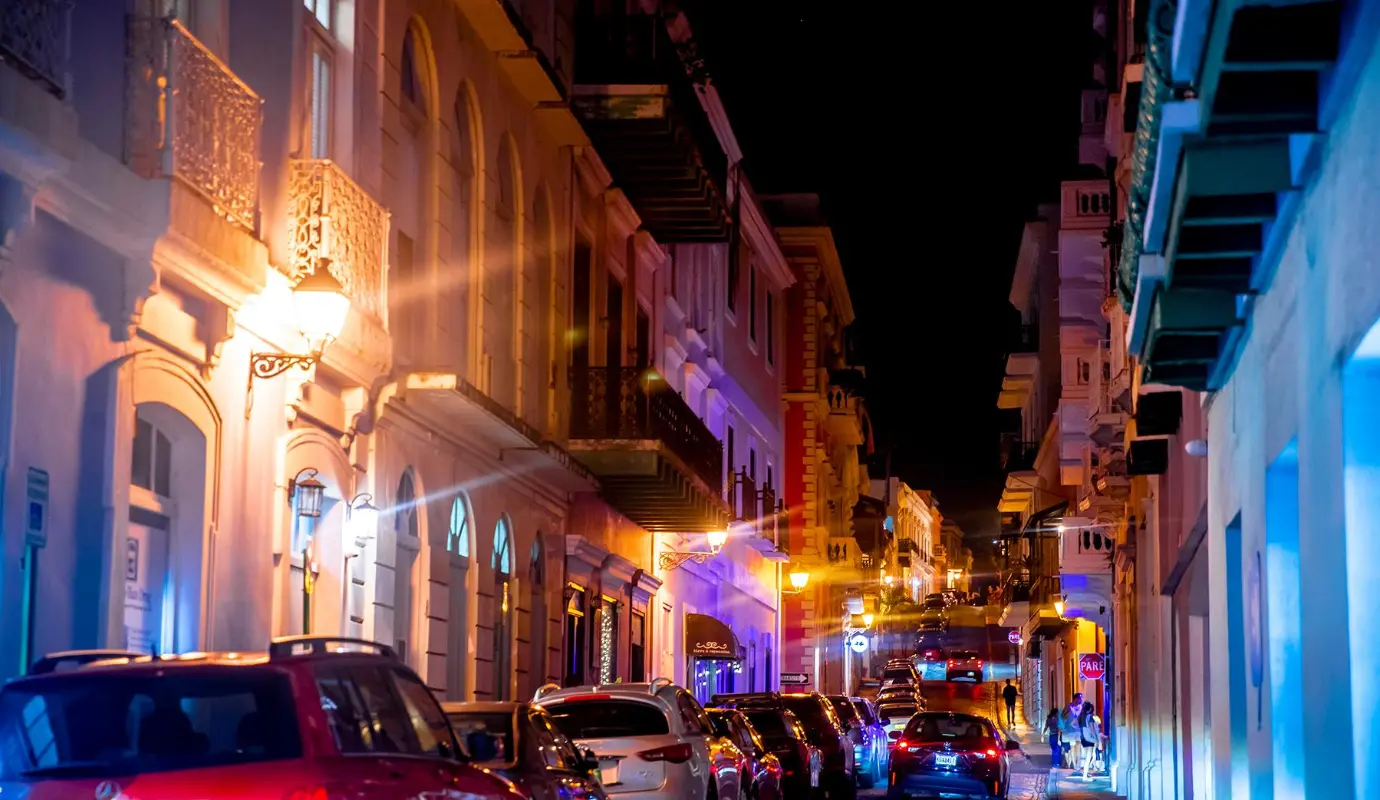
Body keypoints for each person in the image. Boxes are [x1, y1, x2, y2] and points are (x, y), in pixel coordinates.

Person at [1077, 701, 1105, 780]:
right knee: (1089, 757)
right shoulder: (1090, 717)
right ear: (1090, 709)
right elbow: (1092, 728)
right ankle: (1085, 776)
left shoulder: (1081, 716)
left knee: (1087, 757)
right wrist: (1096, 739)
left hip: (1083, 738)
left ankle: (1085, 773)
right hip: (1089, 738)